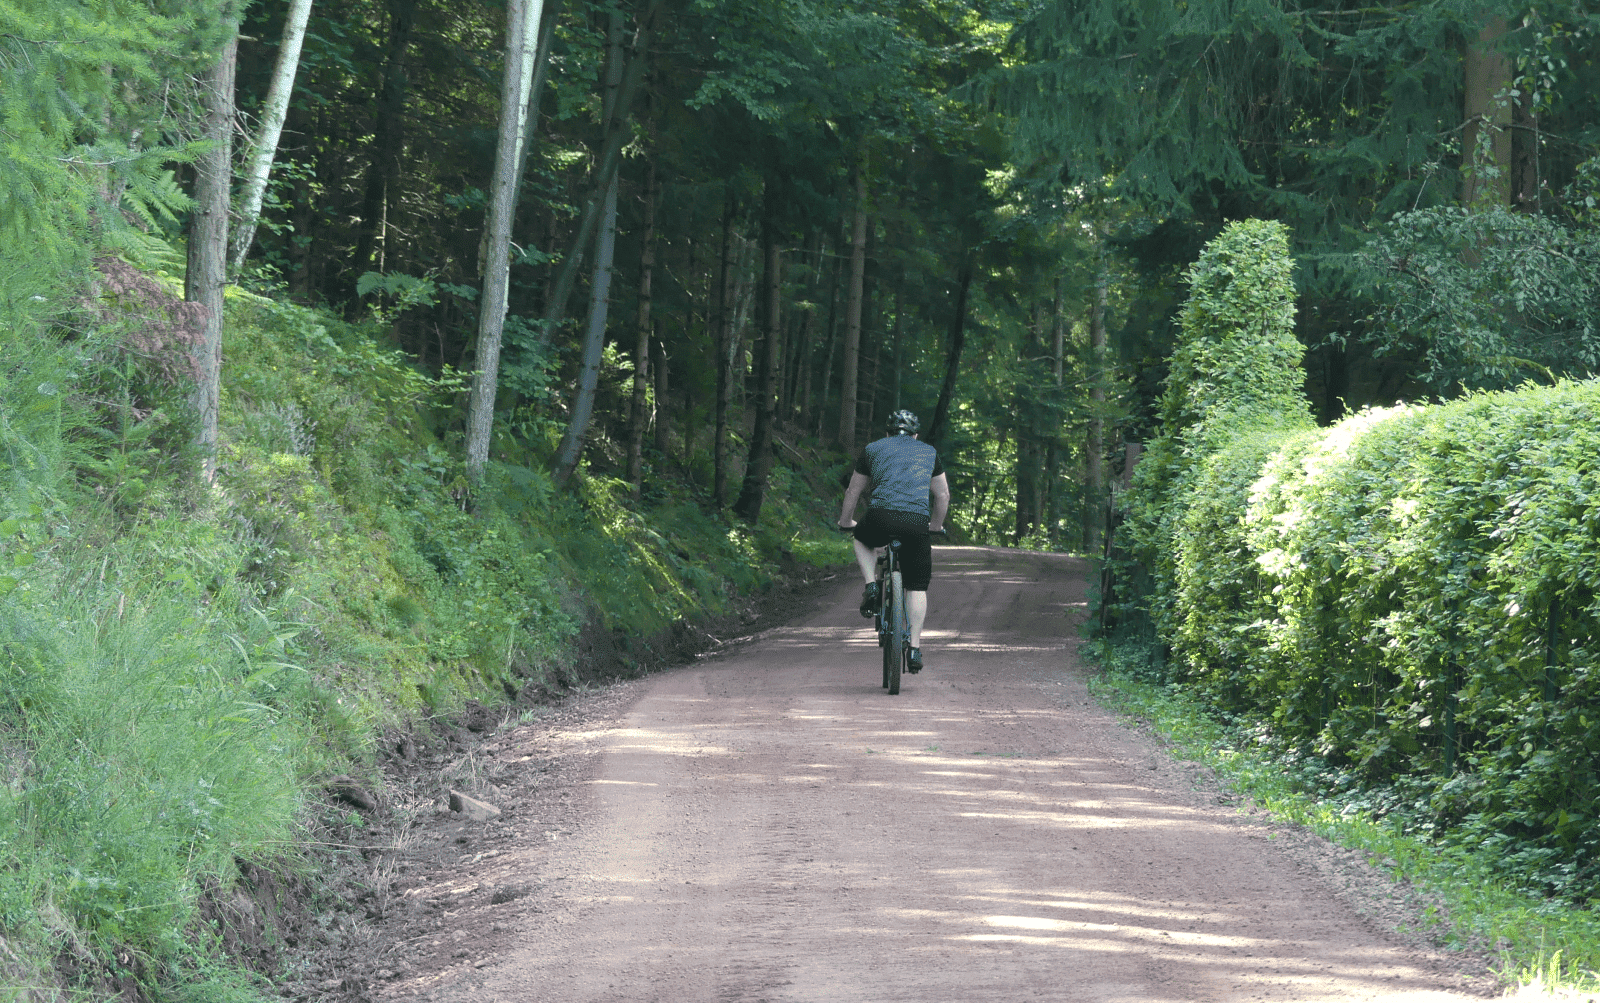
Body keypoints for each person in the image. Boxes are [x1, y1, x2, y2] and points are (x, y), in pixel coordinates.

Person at [836, 409, 950, 673]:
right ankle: (914, 648)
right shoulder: (929, 453)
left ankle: (871, 586)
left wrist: (846, 521)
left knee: (861, 539)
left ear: (887, 433)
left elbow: (854, 489)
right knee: (917, 585)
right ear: (916, 434)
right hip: (915, 523)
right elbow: (942, 495)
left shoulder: (873, 449)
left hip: (880, 517)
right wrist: (935, 526)